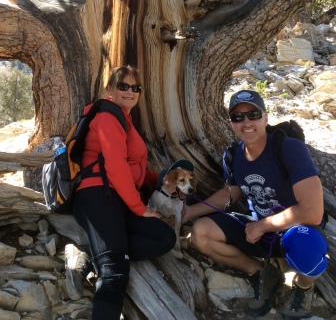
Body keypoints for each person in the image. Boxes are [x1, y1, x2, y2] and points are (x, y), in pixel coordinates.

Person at [182, 89, 328, 319]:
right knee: (201, 233)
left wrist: (262, 226)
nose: (246, 122)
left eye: (253, 114)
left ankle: (302, 287)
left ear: (266, 117)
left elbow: (312, 212)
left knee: (306, 247)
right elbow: (228, 194)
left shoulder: (288, 148)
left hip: (293, 230)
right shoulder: (233, 154)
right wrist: (189, 212)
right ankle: (261, 273)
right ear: (231, 123)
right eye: (238, 117)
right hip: (257, 230)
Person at [65, 65, 176, 319]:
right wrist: (140, 208)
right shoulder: (107, 116)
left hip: (116, 199)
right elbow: (114, 166)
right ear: (109, 89)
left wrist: (157, 178)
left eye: (135, 88)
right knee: (114, 272)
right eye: (123, 86)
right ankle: (105, 256)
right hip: (97, 196)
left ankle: (95, 250)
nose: (130, 92)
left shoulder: (123, 118)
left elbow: (128, 165)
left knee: (163, 237)